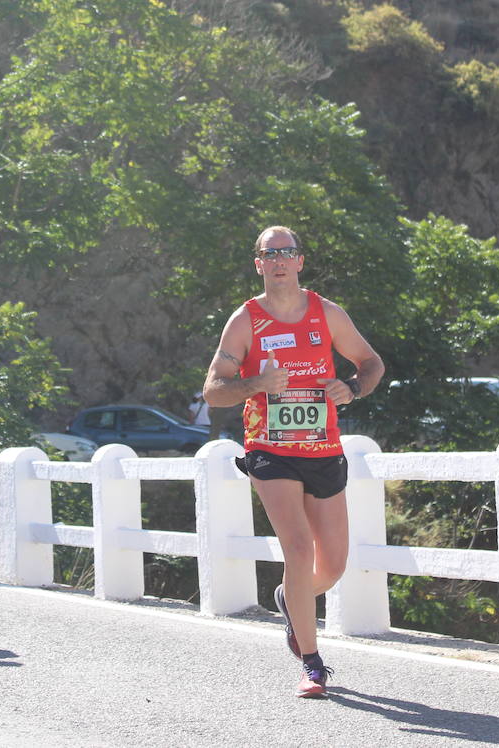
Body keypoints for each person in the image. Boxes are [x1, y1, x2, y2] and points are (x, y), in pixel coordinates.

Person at [202, 226, 384, 699]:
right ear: (258, 263)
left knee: (334, 565)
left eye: (288, 252)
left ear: (300, 261)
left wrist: (353, 387)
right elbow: (213, 390)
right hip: (270, 448)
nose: (280, 260)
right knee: (298, 551)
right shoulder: (246, 321)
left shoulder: (327, 313)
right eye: (270, 254)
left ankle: (289, 598)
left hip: (323, 449)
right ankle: (313, 662)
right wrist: (255, 386)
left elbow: (371, 363)